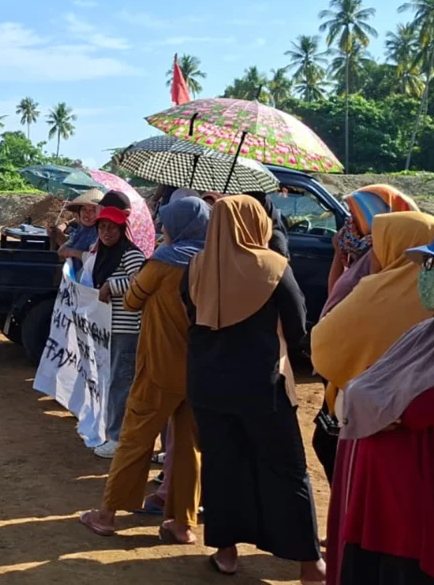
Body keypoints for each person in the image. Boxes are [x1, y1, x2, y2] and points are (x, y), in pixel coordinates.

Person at [182, 195, 324, 582]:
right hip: (263, 386)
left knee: (222, 466)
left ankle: (226, 553)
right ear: (257, 223)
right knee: (287, 470)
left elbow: (191, 314)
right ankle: (309, 563)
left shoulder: (195, 266)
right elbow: (297, 326)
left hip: (207, 386)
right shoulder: (274, 266)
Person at [79, 196, 210, 544]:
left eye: (167, 223)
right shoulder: (213, 263)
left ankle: (106, 515)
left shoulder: (164, 262)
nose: (163, 228)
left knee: (135, 439)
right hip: (198, 370)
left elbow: (133, 299)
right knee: (189, 448)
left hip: (158, 366)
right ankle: (183, 524)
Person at [324, 224, 434, 585]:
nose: (426, 275)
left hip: (417, 511)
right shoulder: (430, 330)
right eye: (426, 265)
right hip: (382, 506)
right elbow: (370, 387)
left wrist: (383, 406)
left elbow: (416, 407)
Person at [79, 205, 147, 458]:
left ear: (121, 230)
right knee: (110, 380)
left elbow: (141, 281)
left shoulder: (131, 254)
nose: (106, 232)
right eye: (102, 227)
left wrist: (112, 285)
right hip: (106, 328)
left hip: (126, 330)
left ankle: (118, 438)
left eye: (111, 228)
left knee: (121, 382)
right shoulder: (101, 254)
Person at [326, 184, 417, 302]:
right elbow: (335, 294)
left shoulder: (384, 253)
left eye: (355, 215)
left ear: (373, 216)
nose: (349, 221)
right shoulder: (360, 248)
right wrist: (338, 253)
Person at [56, 188, 104, 273]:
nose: (87, 213)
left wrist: (72, 252)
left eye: (93, 210)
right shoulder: (80, 229)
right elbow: (65, 247)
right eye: (84, 209)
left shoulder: (99, 233)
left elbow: (94, 259)